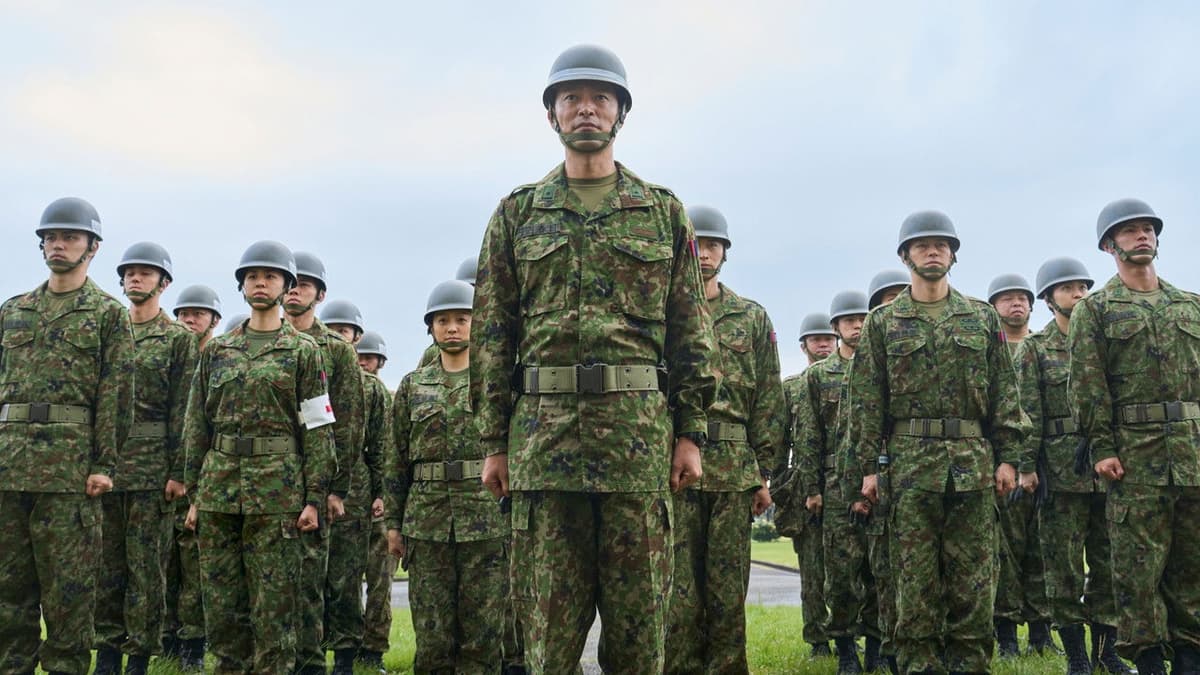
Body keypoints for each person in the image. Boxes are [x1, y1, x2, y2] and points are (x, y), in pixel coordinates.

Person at [471, 44, 720, 672]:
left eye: (600, 98)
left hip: (637, 448)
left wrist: (690, 433)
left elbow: (691, 331)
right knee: (547, 638)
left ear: (620, 113)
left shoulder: (661, 212)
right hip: (543, 446)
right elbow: (493, 335)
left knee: (639, 636)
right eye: (571, 98)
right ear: (552, 114)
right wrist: (493, 443)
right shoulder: (517, 214)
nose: (586, 108)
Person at [848, 210, 1033, 674]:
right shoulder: (883, 322)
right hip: (910, 469)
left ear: (953, 255)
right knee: (914, 578)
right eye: (922, 245)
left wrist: (1009, 458)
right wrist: (868, 469)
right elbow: (866, 401)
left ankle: (969, 665)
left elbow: (1005, 393)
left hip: (973, 465)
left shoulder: (981, 317)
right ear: (905, 256)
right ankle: (920, 666)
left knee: (974, 578)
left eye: (942, 245)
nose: (933, 251)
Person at [181, 240, 336, 674]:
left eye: (270, 276)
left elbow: (319, 427)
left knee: (275, 612)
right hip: (219, 493)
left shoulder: (304, 352)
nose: (260, 283)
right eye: (252, 276)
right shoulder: (218, 351)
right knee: (222, 609)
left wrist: (314, 497)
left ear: (286, 285)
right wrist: (194, 494)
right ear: (242, 286)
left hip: (277, 496)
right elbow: (197, 425)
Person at [0, 197, 134, 675]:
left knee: (68, 592)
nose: (59, 244)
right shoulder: (14, 310)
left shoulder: (107, 314)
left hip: (70, 475)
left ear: (92, 247)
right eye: (51, 237)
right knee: (8, 590)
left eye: (70, 237)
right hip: (9, 470)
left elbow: (116, 394)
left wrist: (105, 465)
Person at [1068, 198, 1200, 675]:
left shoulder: (1189, 305)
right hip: (1134, 457)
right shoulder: (1096, 309)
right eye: (1129, 231)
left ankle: (1190, 657)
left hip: (1191, 453)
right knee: (1137, 568)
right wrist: (1102, 447)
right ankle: (1147, 659)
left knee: (1192, 565)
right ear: (1109, 245)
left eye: (1148, 229)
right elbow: (1086, 385)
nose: (1142, 235)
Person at [664, 205, 782, 673]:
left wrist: (764, 472)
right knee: (677, 591)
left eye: (713, 245)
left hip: (733, 469)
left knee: (727, 591)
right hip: (674, 466)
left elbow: (769, 398)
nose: (705, 254)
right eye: (698, 245)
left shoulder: (750, 317)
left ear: (725, 253)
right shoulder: (663, 314)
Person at [386, 280, 509, 671]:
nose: (452, 328)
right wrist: (393, 525)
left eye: (461, 319)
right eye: (442, 321)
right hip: (427, 524)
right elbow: (395, 459)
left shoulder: (497, 385)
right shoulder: (413, 386)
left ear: (477, 323)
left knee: (483, 634)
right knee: (432, 635)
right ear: (431, 328)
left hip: (486, 522)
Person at [1018, 256, 1131, 675]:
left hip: (1108, 470)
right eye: (1067, 288)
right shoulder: (1034, 348)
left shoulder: (1104, 340)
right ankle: (1076, 656)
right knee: (1062, 568)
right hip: (1059, 474)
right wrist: (1027, 466)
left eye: (1083, 287)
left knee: (1108, 564)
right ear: (1049, 299)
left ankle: (1106, 650)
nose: (1078, 294)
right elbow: (1027, 412)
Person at [94, 242, 197, 675]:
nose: (135, 278)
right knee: (105, 567)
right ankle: (106, 654)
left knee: (147, 570)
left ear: (164, 283)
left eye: (146, 272)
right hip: (107, 467)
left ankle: (139, 656)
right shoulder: (110, 329)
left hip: (154, 471)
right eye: (129, 273)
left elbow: (185, 410)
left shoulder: (178, 340)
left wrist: (179, 472)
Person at [283, 252, 366, 675]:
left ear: (319, 294)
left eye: (304, 284)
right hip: (268, 476)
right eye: (290, 282)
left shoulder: (336, 350)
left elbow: (348, 425)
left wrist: (336, 489)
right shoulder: (256, 341)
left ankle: (314, 663)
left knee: (312, 581)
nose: (294, 290)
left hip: (315, 479)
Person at [799, 290, 877, 674]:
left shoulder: (881, 368)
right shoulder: (818, 376)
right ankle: (846, 648)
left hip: (878, 482)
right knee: (842, 573)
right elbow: (808, 435)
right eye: (849, 321)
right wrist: (811, 489)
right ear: (836, 327)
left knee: (879, 570)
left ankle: (877, 646)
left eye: (863, 319)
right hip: (833, 485)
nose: (857, 326)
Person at [986, 273, 1055, 657]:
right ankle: (1007, 634)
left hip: (1047, 465)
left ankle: (1042, 633)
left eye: (1022, 298)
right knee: (1005, 553)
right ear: (994, 307)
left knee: (1043, 551)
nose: (1016, 304)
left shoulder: (1045, 347)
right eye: (1007, 298)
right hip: (1005, 467)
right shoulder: (989, 352)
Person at [320, 299, 388, 675]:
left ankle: (346, 655)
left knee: (346, 576)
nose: (336, 337)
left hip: (356, 492)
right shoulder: (307, 372)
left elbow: (380, 446)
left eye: (343, 332)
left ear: (356, 337)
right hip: (309, 483)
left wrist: (380, 493)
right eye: (330, 330)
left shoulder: (372, 389)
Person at [164, 284, 222, 669]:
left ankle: (193, 645)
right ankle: (166, 640)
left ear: (214, 320)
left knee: (195, 567)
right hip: (163, 474)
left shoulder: (219, 361)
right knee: (164, 564)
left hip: (203, 478)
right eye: (183, 313)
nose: (189, 320)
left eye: (198, 314)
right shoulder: (170, 359)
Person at [779, 311, 837, 659]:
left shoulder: (852, 379)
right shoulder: (791, 388)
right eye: (817, 340)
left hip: (843, 481)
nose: (824, 345)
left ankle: (851, 634)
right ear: (804, 346)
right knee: (812, 570)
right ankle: (818, 639)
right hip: (804, 487)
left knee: (850, 568)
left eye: (828, 339)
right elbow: (779, 440)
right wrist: (778, 486)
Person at [355, 330, 397, 673]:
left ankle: (373, 650)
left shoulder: (387, 398)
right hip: (353, 502)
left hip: (380, 505)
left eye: (369, 358)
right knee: (346, 582)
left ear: (380, 362)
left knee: (380, 584)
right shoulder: (348, 394)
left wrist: (384, 494)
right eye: (360, 357)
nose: (363, 363)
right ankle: (352, 645)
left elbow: (390, 453)